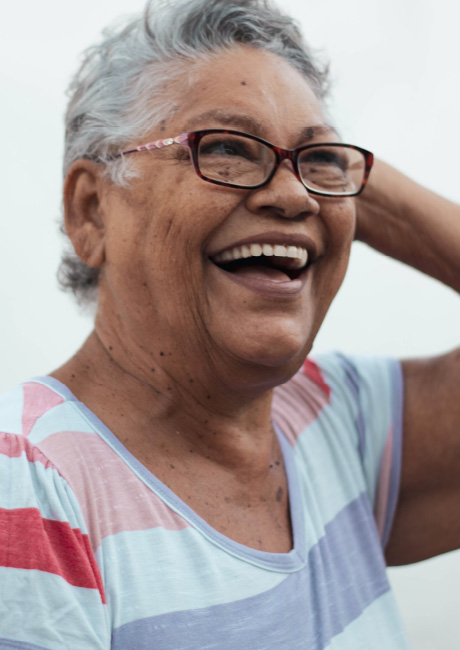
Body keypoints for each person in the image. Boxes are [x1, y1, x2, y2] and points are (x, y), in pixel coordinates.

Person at [0, 0, 459, 648]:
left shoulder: (337, 422)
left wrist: (342, 176)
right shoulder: (29, 484)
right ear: (92, 210)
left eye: (319, 163)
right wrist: (306, 155)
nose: (294, 196)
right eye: (223, 148)